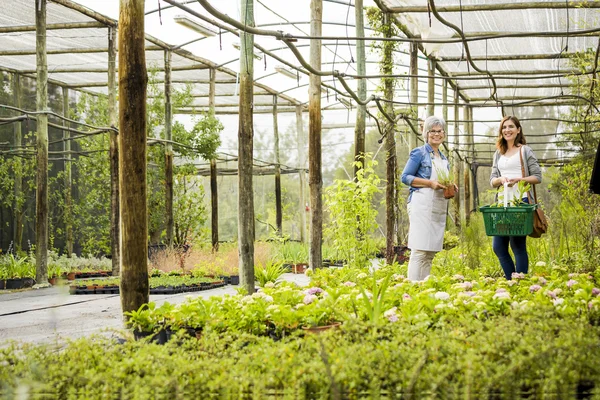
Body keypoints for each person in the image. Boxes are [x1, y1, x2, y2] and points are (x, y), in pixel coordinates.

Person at [401, 116, 453, 281]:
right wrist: (430, 183)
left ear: (444, 134)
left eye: (439, 131)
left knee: (430, 251)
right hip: (421, 204)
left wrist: (450, 186)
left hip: (437, 205)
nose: (436, 134)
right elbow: (405, 177)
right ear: (426, 133)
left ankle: (424, 288)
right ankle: (413, 287)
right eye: (432, 131)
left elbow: (442, 180)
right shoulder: (420, 153)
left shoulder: (443, 158)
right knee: (419, 249)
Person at [489, 115, 542, 279]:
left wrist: (520, 180)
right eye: (504, 127)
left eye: (511, 126)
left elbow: (537, 177)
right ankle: (512, 279)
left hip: (520, 202)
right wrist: (500, 180)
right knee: (498, 247)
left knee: (517, 245)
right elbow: (492, 180)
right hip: (502, 204)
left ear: (518, 130)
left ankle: (520, 283)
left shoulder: (525, 150)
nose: (507, 130)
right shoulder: (499, 153)